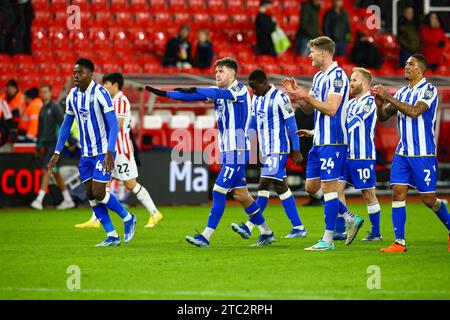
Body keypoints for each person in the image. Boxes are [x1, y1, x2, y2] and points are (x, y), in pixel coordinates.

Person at [145, 57, 275, 247]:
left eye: (220, 71)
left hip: (238, 150)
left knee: (218, 190)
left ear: (231, 74)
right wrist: (166, 94)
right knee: (241, 195)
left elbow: (209, 92)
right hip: (229, 151)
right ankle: (267, 232)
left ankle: (205, 236)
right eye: (216, 71)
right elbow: (194, 96)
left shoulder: (240, 91)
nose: (216, 74)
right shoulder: (219, 92)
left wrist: (196, 88)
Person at [282, 36, 364, 250]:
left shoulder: (338, 76)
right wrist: (298, 95)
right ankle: (349, 217)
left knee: (328, 189)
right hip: (320, 141)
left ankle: (327, 240)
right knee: (311, 187)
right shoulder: (319, 77)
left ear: (324, 53)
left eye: (312, 51)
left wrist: (305, 96)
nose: (309, 55)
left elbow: (331, 108)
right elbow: (310, 109)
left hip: (334, 141)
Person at [48, 58, 137, 247]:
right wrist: (57, 150)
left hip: (102, 152)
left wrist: (110, 152)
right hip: (85, 153)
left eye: (80, 73)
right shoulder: (73, 95)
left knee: (98, 191)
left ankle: (128, 217)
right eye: (74, 72)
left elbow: (113, 123)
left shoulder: (100, 93)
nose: (76, 76)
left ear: (90, 74)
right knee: (90, 194)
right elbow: (66, 124)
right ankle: (112, 234)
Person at [374, 54, 450, 253]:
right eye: (406, 63)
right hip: (403, 152)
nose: (406, 66)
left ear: (420, 70)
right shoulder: (401, 93)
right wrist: (379, 102)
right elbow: (383, 117)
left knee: (428, 199)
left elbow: (415, 112)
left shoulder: (429, 90)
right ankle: (399, 242)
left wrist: (388, 96)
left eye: (411, 64)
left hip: (423, 154)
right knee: (398, 192)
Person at [75, 72, 163, 229]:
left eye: (106, 84)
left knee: (130, 184)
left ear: (115, 85)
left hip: (121, 150)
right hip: (110, 150)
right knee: (102, 183)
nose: (104, 87)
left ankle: (155, 213)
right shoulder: (110, 100)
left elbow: (119, 124)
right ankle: (96, 219)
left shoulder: (120, 100)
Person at [231, 70, 307, 240]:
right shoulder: (256, 99)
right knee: (280, 187)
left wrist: (296, 149)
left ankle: (250, 226)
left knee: (264, 184)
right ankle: (298, 227)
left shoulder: (281, 98)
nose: (253, 91)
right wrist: (244, 140)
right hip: (266, 151)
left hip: (279, 149)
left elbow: (291, 123)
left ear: (264, 83)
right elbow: (252, 122)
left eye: (255, 87)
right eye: (251, 88)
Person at [337, 68, 381, 241]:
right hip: (348, 156)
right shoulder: (352, 102)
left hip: (363, 156)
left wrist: (336, 133)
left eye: (354, 80)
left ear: (363, 82)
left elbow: (355, 122)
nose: (350, 83)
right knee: (334, 190)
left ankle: (376, 233)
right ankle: (345, 226)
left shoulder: (369, 102)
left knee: (368, 194)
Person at [30, 85, 76, 210]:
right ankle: (68, 200)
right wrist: (38, 147)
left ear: (51, 93)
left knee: (47, 169)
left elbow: (63, 125)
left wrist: (71, 142)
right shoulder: (42, 109)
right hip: (46, 144)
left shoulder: (55, 107)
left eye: (46, 92)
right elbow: (40, 130)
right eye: (42, 92)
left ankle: (39, 200)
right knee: (55, 173)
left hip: (54, 145)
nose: (43, 94)